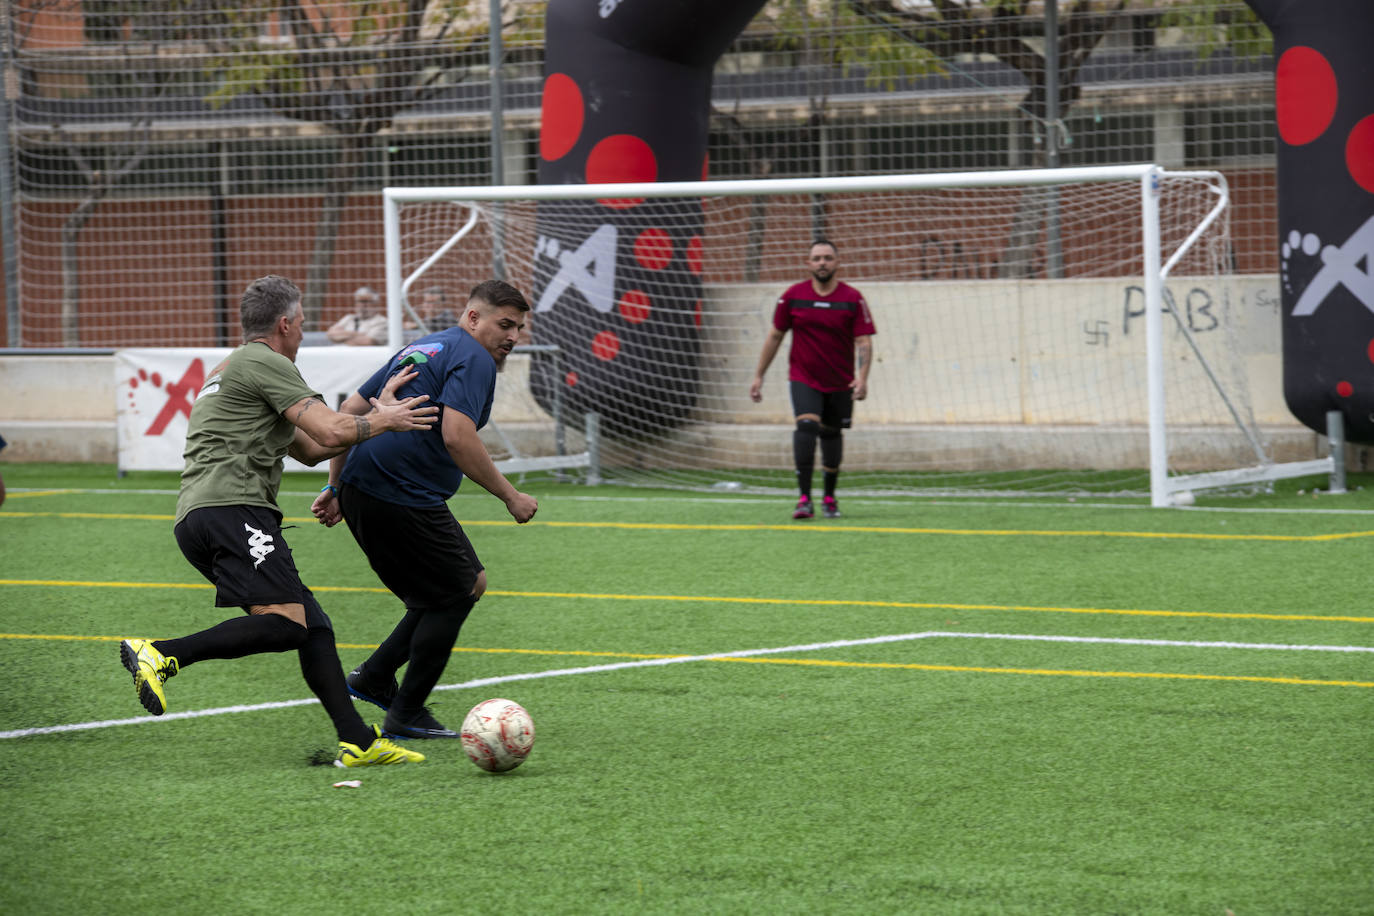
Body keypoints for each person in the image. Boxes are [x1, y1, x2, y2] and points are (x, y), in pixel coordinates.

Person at [119, 275, 439, 768]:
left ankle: (357, 741)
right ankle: (161, 654)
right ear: (285, 324)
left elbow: (311, 448)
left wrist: (377, 417)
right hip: (233, 508)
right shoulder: (266, 363)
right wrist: (387, 420)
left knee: (313, 626)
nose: (303, 333)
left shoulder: (233, 368)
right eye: (303, 323)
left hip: (203, 514)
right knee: (288, 625)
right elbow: (331, 429)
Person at [311, 279, 539, 740]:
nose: (513, 336)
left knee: (463, 584)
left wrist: (336, 485)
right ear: (473, 317)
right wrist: (510, 496)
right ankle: (406, 713)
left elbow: (351, 407)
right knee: (454, 593)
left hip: (369, 487)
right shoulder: (475, 357)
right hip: (398, 491)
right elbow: (457, 435)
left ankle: (375, 677)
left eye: (518, 328)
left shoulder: (427, 345)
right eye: (504, 325)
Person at [749, 239, 875, 520]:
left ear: (837, 262)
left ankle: (829, 497)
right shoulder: (793, 296)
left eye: (828, 258)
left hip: (840, 380)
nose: (822, 263)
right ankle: (804, 499)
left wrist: (862, 378)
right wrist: (759, 375)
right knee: (806, 427)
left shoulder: (852, 298)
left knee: (831, 434)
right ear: (808, 264)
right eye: (817, 258)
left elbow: (863, 341)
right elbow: (775, 336)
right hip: (803, 377)